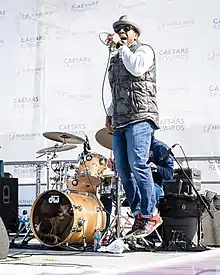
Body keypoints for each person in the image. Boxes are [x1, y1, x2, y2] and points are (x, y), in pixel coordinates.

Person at [105, 15, 160, 238]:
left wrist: (121, 47)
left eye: (126, 29)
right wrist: (110, 112)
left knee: (138, 163)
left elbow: (137, 69)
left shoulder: (143, 51)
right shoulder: (117, 57)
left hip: (140, 116)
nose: (122, 32)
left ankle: (151, 214)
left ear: (135, 34)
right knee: (122, 170)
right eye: (118, 29)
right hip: (120, 119)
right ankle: (139, 213)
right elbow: (119, 88)